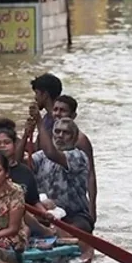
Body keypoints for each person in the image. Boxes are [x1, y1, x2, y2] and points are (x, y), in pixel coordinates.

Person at [28, 111, 95, 231]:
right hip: (45, 212)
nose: (60, 135)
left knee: (67, 230)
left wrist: (39, 122)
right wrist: (25, 136)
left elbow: (51, 153)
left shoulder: (78, 156)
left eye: (66, 133)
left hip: (74, 216)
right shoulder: (41, 156)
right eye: (57, 131)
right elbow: (22, 165)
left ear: (74, 138)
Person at [51, 94, 97, 223]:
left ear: (73, 115)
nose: (57, 114)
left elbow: (90, 174)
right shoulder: (50, 134)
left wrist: (92, 208)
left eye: (63, 110)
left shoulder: (80, 140)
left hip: (73, 203)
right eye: (55, 109)